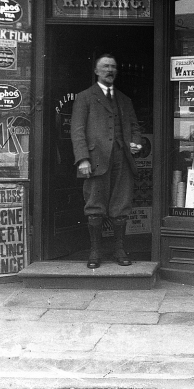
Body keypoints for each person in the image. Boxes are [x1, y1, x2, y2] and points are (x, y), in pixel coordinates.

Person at [71, 54, 142, 269]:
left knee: (121, 205)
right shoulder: (85, 97)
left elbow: (135, 127)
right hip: (95, 160)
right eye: (105, 67)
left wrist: (136, 143)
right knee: (95, 206)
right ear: (96, 71)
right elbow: (77, 130)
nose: (109, 70)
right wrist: (83, 159)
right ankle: (95, 252)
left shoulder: (124, 99)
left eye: (113, 67)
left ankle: (119, 250)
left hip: (122, 159)